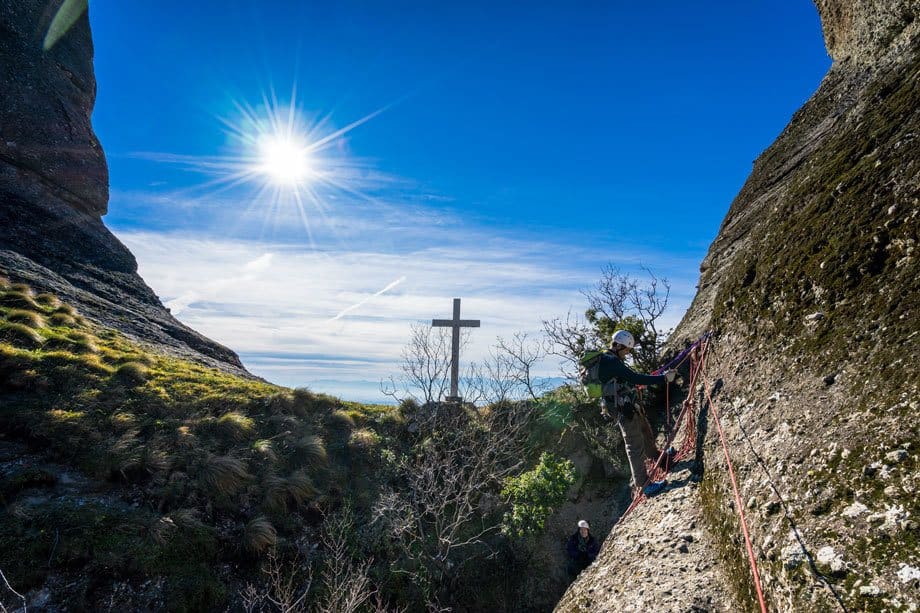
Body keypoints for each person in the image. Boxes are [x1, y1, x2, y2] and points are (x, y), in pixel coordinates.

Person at [596, 329, 676, 497]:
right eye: (626, 349)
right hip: (622, 408)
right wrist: (663, 378)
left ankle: (658, 458)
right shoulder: (611, 361)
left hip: (627, 404)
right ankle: (644, 485)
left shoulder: (608, 358)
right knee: (634, 444)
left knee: (645, 430)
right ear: (617, 345)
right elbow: (635, 378)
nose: (627, 353)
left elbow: (625, 379)